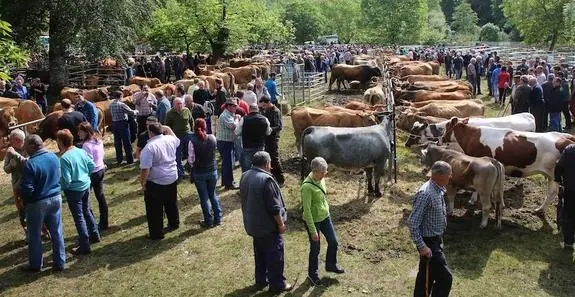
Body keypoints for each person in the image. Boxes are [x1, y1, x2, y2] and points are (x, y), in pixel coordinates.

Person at [239, 151, 292, 293]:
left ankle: (261, 281)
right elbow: (274, 208)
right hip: (268, 227)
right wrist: (281, 224)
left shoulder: (245, 175)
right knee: (275, 256)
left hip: (253, 225)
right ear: (267, 164)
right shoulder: (266, 180)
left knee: (260, 254)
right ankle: (277, 285)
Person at [20, 134, 66, 272]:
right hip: (56, 198)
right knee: (57, 231)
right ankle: (60, 262)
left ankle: (35, 264)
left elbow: (27, 189)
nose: (25, 149)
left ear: (32, 146)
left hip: (37, 202)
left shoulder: (30, 164)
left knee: (34, 234)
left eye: (25, 146)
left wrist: (25, 200)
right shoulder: (53, 157)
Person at [408, 161, 453, 297]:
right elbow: (412, 222)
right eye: (448, 174)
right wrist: (422, 247)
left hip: (436, 240)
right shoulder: (426, 194)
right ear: (439, 175)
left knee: (425, 276)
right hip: (429, 243)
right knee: (445, 278)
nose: (450, 177)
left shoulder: (438, 189)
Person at [301, 157, 345, 286]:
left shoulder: (321, 178)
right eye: (322, 172)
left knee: (333, 241)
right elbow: (307, 211)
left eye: (325, 172)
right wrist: (313, 231)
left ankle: (330, 265)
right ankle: (312, 274)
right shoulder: (306, 187)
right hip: (313, 221)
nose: (325, 174)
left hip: (325, 217)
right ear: (315, 171)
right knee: (315, 249)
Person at [57, 129, 100, 255]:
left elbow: (67, 180)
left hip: (74, 190)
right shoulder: (80, 151)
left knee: (79, 217)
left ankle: (85, 245)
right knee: (87, 210)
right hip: (85, 186)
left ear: (60, 142)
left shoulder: (64, 158)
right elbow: (92, 166)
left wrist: (60, 188)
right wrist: (85, 176)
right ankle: (94, 234)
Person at [139, 123, 180, 240]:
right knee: (171, 202)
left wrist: (143, 183)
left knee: (154, 209)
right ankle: (174, 223)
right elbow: (177, 140)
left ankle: (157, 233)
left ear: (150, 132)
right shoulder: (170, 139)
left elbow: (145, 168)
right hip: (172, 176)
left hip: (157, 181)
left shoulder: (149, 147)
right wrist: (168, 128)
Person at [188, 118, 222, 228]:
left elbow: (191, 160)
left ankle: (208, 221)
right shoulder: (212, 138)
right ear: (205, 127)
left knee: (204, 197)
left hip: (199, 172)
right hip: (212, 170)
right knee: (213, 194)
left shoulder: (192, 141)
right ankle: (218, 218)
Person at [78, 122, 108, 230]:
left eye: (80, 132)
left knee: (85, 200)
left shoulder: (86, 145)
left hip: (92, 173)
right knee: (100, 196)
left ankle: (92, 224)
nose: (78, 134)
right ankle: (104, 222)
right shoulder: (98, 140)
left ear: (86, 132)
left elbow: (88, 162)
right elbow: (102, 154)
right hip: (101, 169)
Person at [4, 129, 30, 240]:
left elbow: (29, 163)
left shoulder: (29, 147)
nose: (11, 142)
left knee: (34, 208)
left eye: (14, 140)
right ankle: (27, 233)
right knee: (21, 211)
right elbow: (5, 169)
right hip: (17, 186)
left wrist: (16, 156)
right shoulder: (10, 151)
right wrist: (10, 165)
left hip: (30, 184)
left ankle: (43, 230)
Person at [235, 103, 271, 172]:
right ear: (257, 109)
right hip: (260, 146)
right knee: (261, 167)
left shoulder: (244, 119)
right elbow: (268, 132)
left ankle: (247, 181)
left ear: (249, 109)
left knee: (247, 168)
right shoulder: (264, 119)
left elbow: (237, 132)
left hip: (248, 147)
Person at [165, 97, 192, 180]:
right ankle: (180, 174)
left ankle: (190, 170)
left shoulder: (186, 110)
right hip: (176, 137)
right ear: (174, 105)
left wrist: (192, 131)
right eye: (178, 104)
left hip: (187, 134)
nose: (180, 105)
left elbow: (191, 121)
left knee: (190, 153)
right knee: (178, 155)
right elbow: (167, 126)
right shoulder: (169, 113)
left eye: (181, 103)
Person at [260, 96, 285, 186]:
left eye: (263, 106)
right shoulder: (266, 110)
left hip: (273, 137)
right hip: (267, 137)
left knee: (274, 157)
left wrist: (268, 129)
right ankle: (273, 176)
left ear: (267, 103)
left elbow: (279, 126)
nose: (262, 107)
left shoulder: (275, 111)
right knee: (269, 157)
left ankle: (281, 179)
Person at [555, 144, 575, 252]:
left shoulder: (569, 150)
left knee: (568, 215)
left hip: (570, 190)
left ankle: (568, 242)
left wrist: (559, 180)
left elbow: (558, 166)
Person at [109, 90, 138, 165]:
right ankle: (130, 160)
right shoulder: (122, 104)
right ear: (121, 96)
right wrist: (136, 111)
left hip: (114, 124)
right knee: (126, 142)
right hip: (122, 124)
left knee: (117, 142)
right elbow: (131, 112)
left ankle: (119, 159)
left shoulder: (111, 104)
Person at [217, 99, 240, 190]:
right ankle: (229, 184)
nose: (236, 108)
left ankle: (225, 181)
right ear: (228, 106)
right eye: (234, 106)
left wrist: (235, 117)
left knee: (226, 163)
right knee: (228, 164)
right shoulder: (225, 115)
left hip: (226, 141)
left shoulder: (229, 114)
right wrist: (237, 119)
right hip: (225, 142)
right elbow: (233, 126)